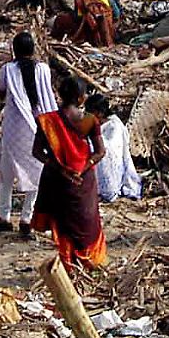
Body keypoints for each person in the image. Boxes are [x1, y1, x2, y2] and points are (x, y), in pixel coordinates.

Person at [31, 76, 107, 270]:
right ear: (81, 98)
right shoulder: (90, 120)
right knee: (87, 221)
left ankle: (68, 265)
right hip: (83, 180)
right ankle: (90, 262)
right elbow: (100, 152)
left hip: (58, 180)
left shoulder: (48, 121)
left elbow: (37, 152)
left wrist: (60, 168)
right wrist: (82, 167)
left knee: (64, 224)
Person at [0, 32, 56, 235]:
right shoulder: (43, 70)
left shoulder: (8, 69)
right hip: (38, 127)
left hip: (13, 128)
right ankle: (27, 218)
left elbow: (0, 92)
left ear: (14, 49)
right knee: (36, 172)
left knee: (6, 174)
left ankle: (4, 217)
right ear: (33, 49)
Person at [89, 94, 141, 202]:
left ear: (100, 112)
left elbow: (112, 148)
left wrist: (91, 143)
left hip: (112, 169)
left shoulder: (114, 125)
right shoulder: (98, 123)